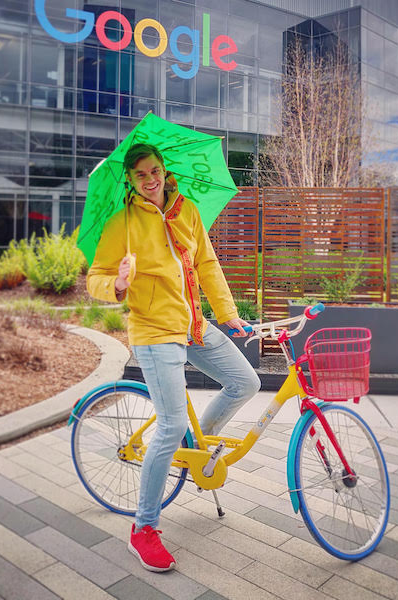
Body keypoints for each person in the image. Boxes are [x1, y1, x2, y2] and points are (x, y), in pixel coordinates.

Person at [86, 143, 260, 572]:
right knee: (171, 422)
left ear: (165, 171)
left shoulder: (188, 211)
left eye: (156, 170)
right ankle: (142, 529)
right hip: (152, 330)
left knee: (246, 382)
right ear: (129, 178)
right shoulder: (120, 223)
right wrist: (119, 284)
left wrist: (229, 314)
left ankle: (196, 450)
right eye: (141, 173)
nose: (151, 179)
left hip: (193, 323)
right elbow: (95, 278)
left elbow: (208, 264)